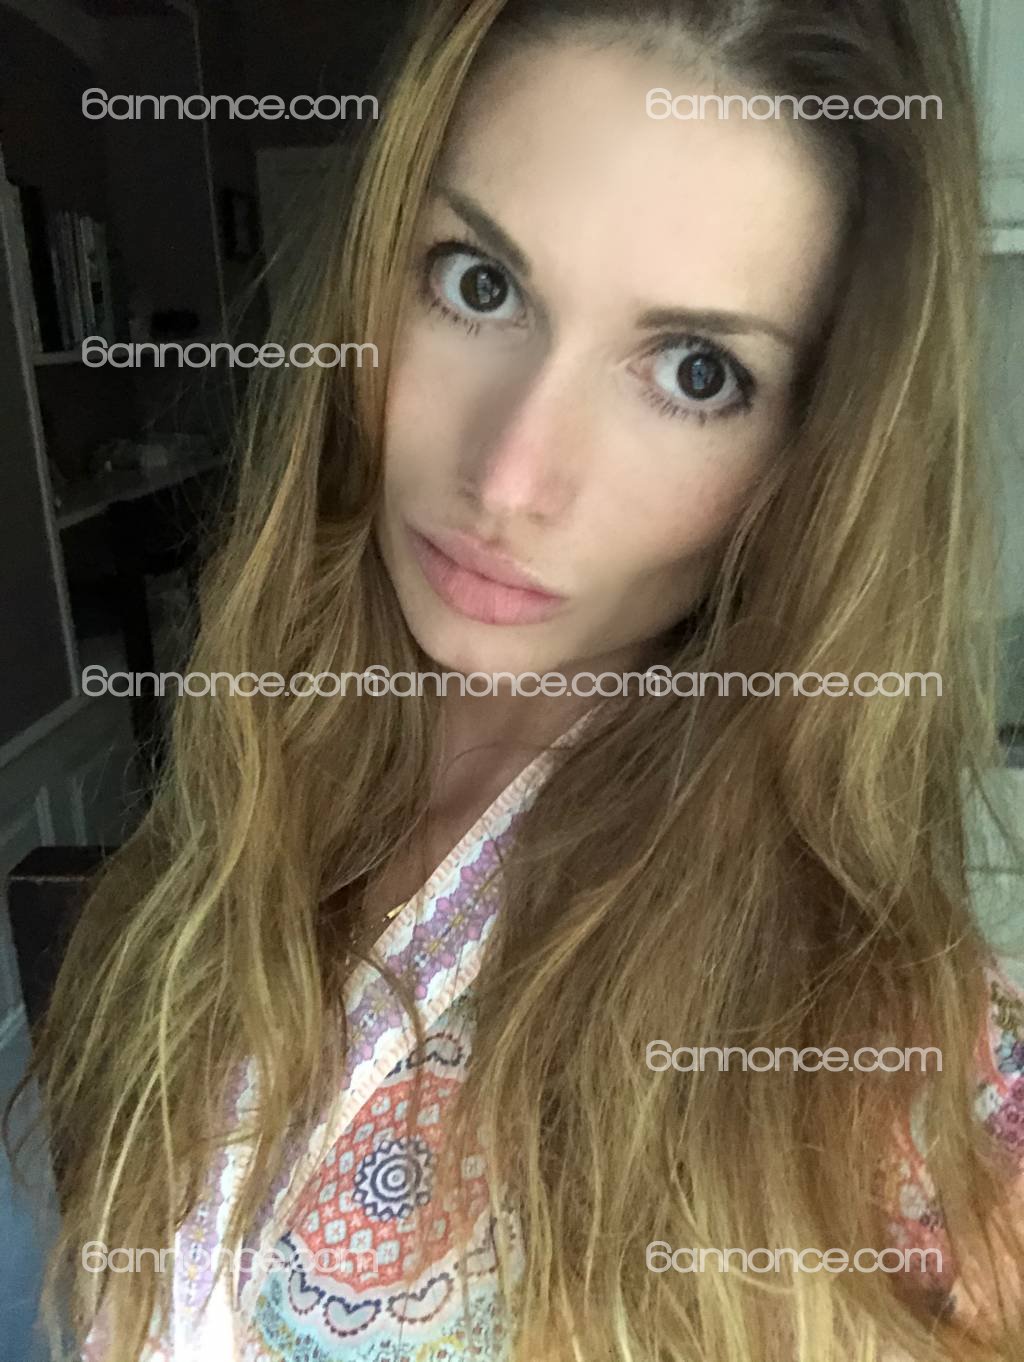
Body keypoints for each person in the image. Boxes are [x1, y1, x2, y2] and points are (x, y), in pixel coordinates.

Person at [10, 0, 1024, 1358]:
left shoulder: (878, 1063)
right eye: (480, 285)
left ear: (814, 458)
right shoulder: (260, 784)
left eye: (696, 372)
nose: (510, 476)